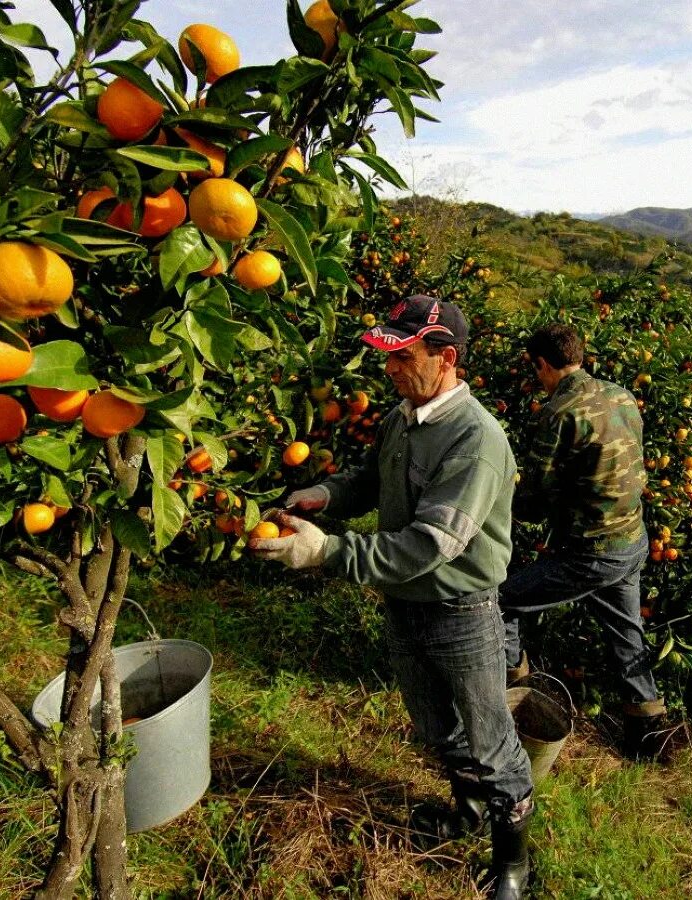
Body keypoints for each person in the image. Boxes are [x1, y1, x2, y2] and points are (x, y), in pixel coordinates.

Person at [250, 295, 534, 900]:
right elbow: (372, 481)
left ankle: (513, 861)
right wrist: (324, 497)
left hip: (461, 611)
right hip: (403, 603)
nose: (390, 369)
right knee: (435, 726)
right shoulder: (405, 416)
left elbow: (431, 544)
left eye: (402, 357)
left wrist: (326, 552)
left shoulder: (475, 440)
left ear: (445, 357)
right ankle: (469, 811)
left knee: (490, 740)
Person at [500, 322, 670, 761]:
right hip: (632, 538)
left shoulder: (560, 413)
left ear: (541, 364)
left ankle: (512, 696)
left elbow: (534, 495)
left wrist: (499, 505)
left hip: (591, 551)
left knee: (505, 601)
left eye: (534, 369)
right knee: (626, 633)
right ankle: (649, 735)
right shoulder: (621, 395)